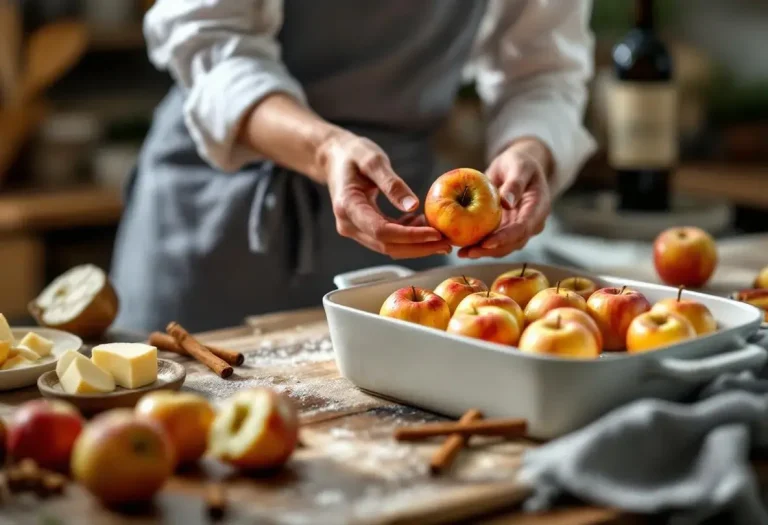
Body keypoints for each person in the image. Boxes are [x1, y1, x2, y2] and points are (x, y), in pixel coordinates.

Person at [110, 0, 597, 334]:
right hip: (219, 210)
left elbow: (543, 69)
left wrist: (530, 148)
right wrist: (324, 148)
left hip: (397, 218)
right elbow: (208, 40)